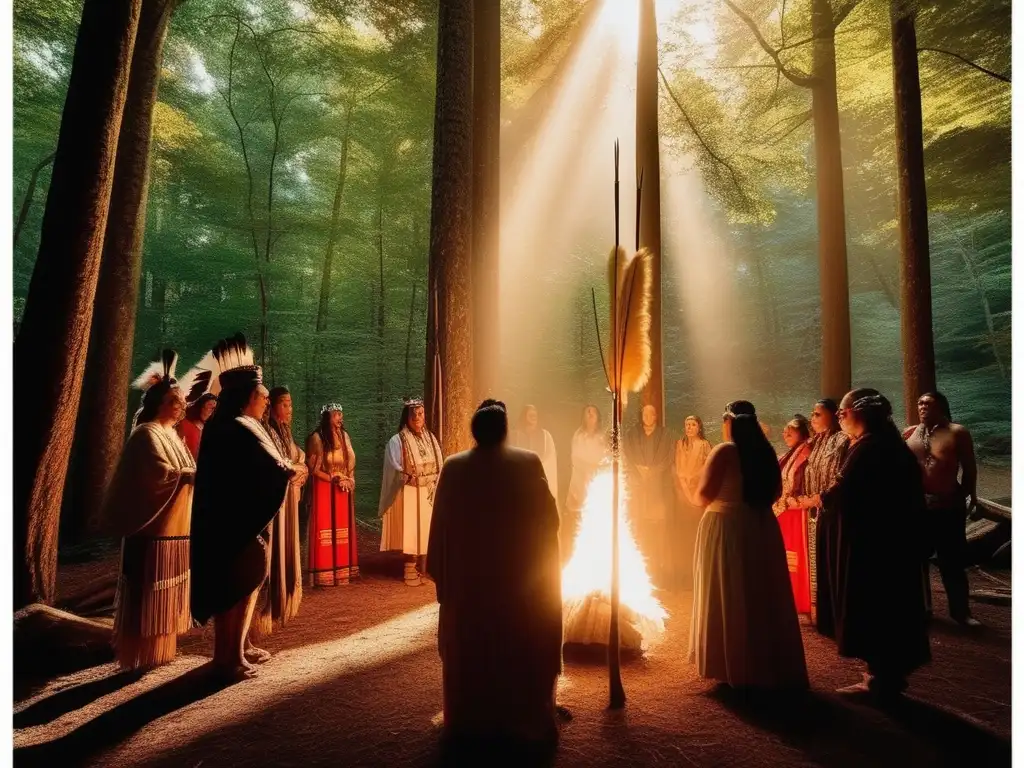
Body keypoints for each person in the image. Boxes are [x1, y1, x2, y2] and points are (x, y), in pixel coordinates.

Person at [427, 400, 563, 752]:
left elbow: (439, 527)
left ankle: (470, 720)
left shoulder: (454, 467)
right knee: (517, 645)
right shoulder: (528, 463)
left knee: (475, 648)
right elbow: (551, 521)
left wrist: (443, 575)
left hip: (470, 585)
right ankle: (523, 716)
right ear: (505, 430)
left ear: (475, 431)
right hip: (519, 583)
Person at [190, 333, 307, 679]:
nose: (267, 404)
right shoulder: (242, 426)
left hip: (226, 523)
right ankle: (229, 658)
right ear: (248, 396)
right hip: (237, 528)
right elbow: (274, 466)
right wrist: (293, 470)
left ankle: (232, 652)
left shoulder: (223, 424)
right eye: (264, 397)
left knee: (234, 588)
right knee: (237, 587)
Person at [689, 400, 808, 690]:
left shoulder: (725, 451)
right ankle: (764, 661)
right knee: (759, 591)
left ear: (729, 422)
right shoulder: (766, 451)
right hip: (760, 526)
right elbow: (774, 492)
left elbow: (702, 496)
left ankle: (730, 663)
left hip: (726, 526)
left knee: (728, 589)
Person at [826, 390, 931, 697]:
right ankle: (888, 674)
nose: (841, 419)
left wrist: (823, 499)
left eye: (843, 413)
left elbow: (841, 494)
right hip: (894, 545)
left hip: (876, 548)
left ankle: (880, 678)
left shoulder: (870, 449)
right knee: (893, 606)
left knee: (876, 606)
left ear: (861, 414)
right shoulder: (890, 445)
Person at [104, 350, 195, 670]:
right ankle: (140, 653)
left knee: (166, 589)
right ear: (158, 403)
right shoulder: (146, 434)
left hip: (174, 530)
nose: (181, 404)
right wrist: (189, 475)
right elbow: (158, 475)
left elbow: (183, 470)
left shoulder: (171, 434)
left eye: (181, 399)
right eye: (174, 400)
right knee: (147, 591)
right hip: (152, 532)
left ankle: (160, 650)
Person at [904, 392, 981, 627]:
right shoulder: (909, 433)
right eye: (920, 403)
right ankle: (921, 609)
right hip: (919, 508)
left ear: (941, 406)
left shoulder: (957, 432)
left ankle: (961, 613)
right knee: (915, 559)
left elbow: (969, 467)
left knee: (952, 562)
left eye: (928, 402)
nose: (923, 406)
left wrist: (969, 495)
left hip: (948, 506)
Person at [250, 386, 308, 643]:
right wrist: (296, 468)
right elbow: (277, 464)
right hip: (274, 503)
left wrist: (301, 467)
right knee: (272, 551)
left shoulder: (284, 431)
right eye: (285, 404)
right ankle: (265, 607)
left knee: (286, 546)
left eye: (291, 404)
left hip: (288, 501)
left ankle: (283, 600)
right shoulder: (267, 431)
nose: (290, 410)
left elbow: (295, 458)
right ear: (272, 406)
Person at [795, 398, 849, 637]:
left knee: (834, 563)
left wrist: (818, 498)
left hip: (836, 509)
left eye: (818, 414)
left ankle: (840, 619)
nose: (812, 417)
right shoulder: (815, 442)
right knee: (819, 564)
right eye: (812, 413)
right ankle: (824, 617)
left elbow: (841, 476)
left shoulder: (842, 440)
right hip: (815, 511)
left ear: (833, 415)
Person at [378, 398, 444, 586]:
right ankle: (409, 569)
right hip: (410, 492)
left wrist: (435, 480)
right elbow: (394, 465)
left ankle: (425, 570)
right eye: (413, 414)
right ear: (406, 417)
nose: (417, 417)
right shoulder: (397, 441)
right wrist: (406, 476)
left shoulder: (430, 438)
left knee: (427, 530)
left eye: (421, 413)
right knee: (412, 530)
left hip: (429, 491)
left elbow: (439, 463)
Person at [307, 403, 359, 586]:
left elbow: (350, 460)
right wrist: (333, 478)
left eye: (341, 414)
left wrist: (350, 478)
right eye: (336, 414)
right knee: (326, 529)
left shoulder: (344, 436)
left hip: (342, 488)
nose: (340, 417)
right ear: (327, 417)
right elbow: (313, 469)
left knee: (342, 529)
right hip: (324, 488)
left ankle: (343, 570)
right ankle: (325, 573)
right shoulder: (317, 438)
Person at [623, 404, 674, 587]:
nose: (648, 416)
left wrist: (653, 471)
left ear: (656, 415)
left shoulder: (665, 435)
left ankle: (659, 575)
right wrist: (639, 470)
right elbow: (627, 455)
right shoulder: (632, 434)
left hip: (659, 489)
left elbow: (669, 457)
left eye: (651, 413)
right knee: (639, 530)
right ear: (641, 415)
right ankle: (639, 574)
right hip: (638, 490)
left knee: (659, 532)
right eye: (644, 413)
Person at [774, 415, 813, 616]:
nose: (785, 433)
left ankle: (802, 602)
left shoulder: (808, 453)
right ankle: (791, 601)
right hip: (786, 511)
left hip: (799, 512)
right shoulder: (790, 454)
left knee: (798, 557)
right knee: (788, 557)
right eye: (784, 429)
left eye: (790, 429)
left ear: (802, 431)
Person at [564, 405, 608, 560]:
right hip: (579, 483)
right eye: (587, 411)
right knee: (577, 524)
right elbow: (575, 458)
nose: (590, 413)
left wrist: (597, 470)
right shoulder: (578, 435)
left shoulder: (602, 437)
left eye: (593, 411)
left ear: (598, 416)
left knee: (596, 525)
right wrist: (589, 468)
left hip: (597, 484)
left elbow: (606, 458)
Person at [673, 415, 712, 588]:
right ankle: (684, 574)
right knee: (682, 535)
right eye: (687, 424)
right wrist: (683, 483)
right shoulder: (680, 444)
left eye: (693, 424)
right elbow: (677, 467)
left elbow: (708, 467)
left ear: (699, 427)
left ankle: (700, 574)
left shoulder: (705, 445)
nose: (689, 428)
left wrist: (694, 478)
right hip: (682, 494)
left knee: (697, 534)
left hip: (698, 494)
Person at [510, 404, 559, 503]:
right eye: (530, 414)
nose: (533, 416)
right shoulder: (515, 436)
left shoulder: (546, 436)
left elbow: (550, 462)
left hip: (540, 483)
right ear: (524, 416)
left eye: (535, 414)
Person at [176, 393, 217, 460]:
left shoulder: (210, 427)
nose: (212, 408)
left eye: (214, 407)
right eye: (210, 405)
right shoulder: (185, 422)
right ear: (201, 406)